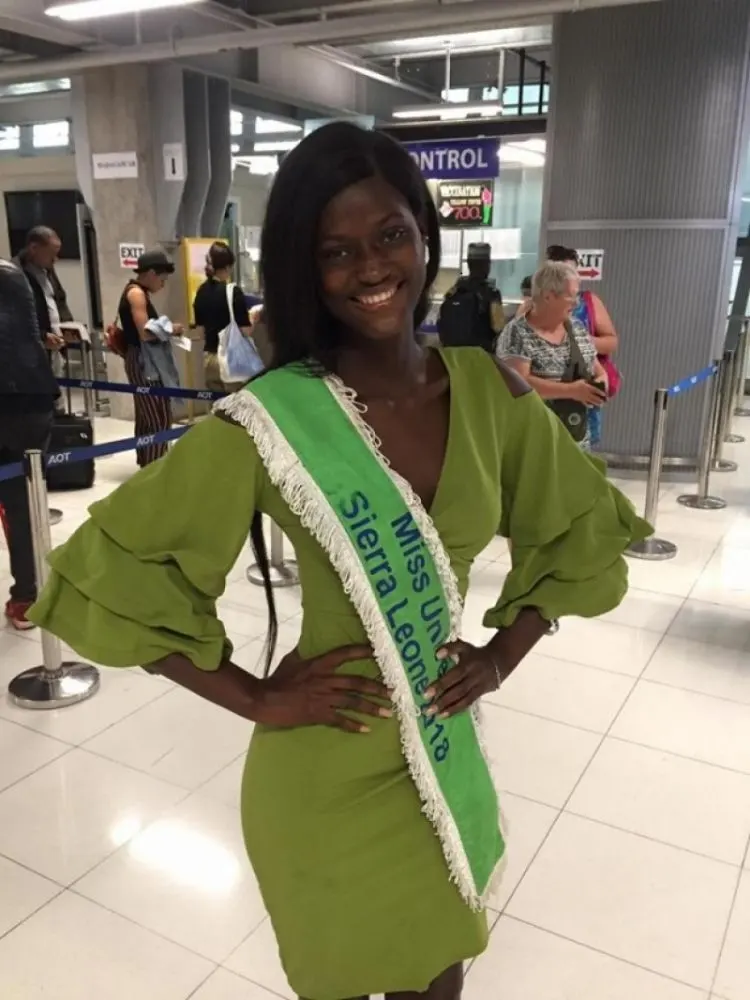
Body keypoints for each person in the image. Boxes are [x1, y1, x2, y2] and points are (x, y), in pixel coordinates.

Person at [29, 123, 650, 1000]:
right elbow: (109, 574)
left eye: (390, 234)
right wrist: (254, 697)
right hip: (322, 769)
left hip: (438, 751)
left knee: (439, 977)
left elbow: (580, 528)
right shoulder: (272, 417)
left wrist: (503, 654)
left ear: (424, 235)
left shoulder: (489, 389)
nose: (370, 267)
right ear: (305, 267)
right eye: (336, 251)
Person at [0, 258, 61, 629]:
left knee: (16, 504)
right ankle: (34, 588)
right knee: (27, 500)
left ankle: (27, 594)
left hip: (7, 404)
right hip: (36, 396)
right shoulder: (14, 274)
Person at [496, 261, 608, 449]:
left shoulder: (577, 329)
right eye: (570, 296)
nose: (576, 302)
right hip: (533, 445)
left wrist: (600, 384)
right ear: (548, 296)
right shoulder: (517, 333)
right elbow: (517, 384)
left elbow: (598, 369)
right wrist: (572, 391)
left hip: (577, 442)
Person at [546, 245, 620, 445]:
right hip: (545, 396)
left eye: (574, 273)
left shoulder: (588, 303)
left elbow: (611, 342)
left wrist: (582, 341)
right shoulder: (533, 307)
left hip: (582, 399)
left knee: (579, 451)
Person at [119, 249, 181, 468]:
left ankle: (148, 466)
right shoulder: (136, 294)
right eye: (162, 279)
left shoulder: (136, 292)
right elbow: (145, 332)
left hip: (139, 360)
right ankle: (155, 468)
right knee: (158, 419)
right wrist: (171, 329)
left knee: (147, 418)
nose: (163, 285)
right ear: (152, 273)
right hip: (144, 363)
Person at [193, 241, 254, 393]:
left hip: (209, 360)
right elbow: (246, 331)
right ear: (227, 267)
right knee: (235, 405)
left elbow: (200, 333)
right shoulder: (233, 292)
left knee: (217, 405)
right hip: (231, 361)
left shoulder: (201, 291)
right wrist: (254, 318)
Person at [437, 242, 504, 351]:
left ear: (468, 264)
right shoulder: (491, 294)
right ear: (487, 265)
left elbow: (441, 323)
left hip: (452, 357)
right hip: (480, 356)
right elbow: (499, 328)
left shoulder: (454, 291)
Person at [13, 226, 68, 356]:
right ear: (34, 248)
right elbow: (15, 318)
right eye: (51, 255)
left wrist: (67, 327)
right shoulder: (13, 274)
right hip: (30, 352)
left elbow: (59, 300)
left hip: (56, 347)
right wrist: (42, 337)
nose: (56, 259)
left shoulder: (47, 269)